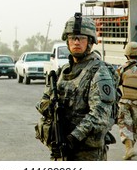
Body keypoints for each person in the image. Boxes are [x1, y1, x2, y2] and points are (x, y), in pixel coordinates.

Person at [36, 12, 119, 161]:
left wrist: (72, 139)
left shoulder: (99, 72)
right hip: (61, 149)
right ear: (67, 41)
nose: (76, 42)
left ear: (90, 42)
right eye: (72, 38)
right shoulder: (63, 71)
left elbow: (99, 115)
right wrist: (50, 107)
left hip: (86, 153)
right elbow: (42, 101)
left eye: (81, 38)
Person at [117, 42, 137, 160]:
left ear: (126, 55)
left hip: (124, 102)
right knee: (135, 126)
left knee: (125, 124)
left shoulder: (121, 69)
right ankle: (131, 148)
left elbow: (116, 84)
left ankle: (129, 149)